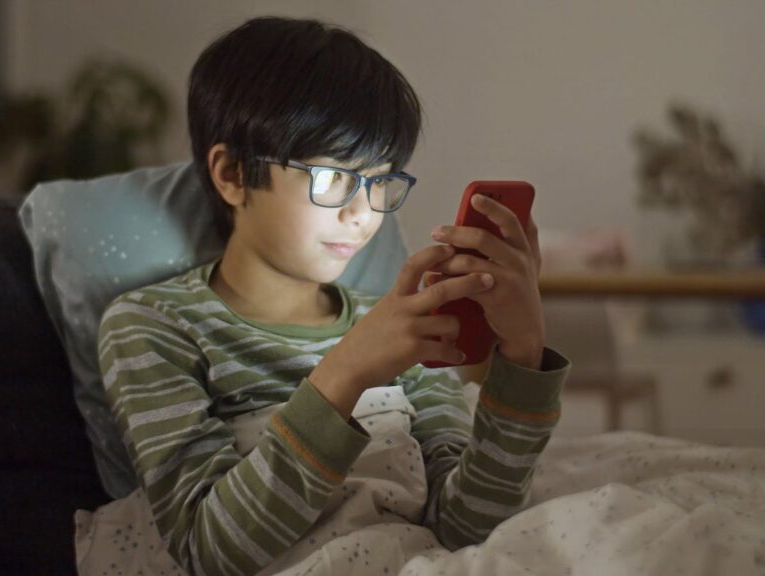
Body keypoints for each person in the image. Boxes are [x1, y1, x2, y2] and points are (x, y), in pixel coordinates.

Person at [96, 16, 570, 576]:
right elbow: (211, 551)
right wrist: (345, 372)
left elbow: (466, 525)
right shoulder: (152, 327)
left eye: (380, 181)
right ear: (231, 175)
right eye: (333, 178)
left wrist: (521, 350)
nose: (362, 213)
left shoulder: (399, 327)